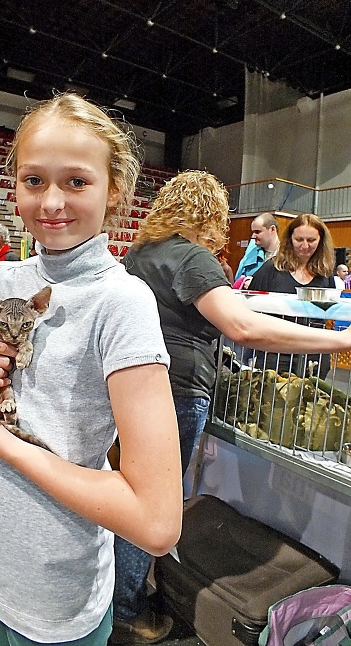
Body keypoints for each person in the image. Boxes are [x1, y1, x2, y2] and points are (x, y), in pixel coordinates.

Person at [0, 92, 183, 646]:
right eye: (34, 180)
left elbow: (156, 524)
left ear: (116, 192)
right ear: (13, 191)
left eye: (77, 181)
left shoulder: (123, 302)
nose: (53, 201)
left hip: (57, 592)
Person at [112, 171, 351, 644]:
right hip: (177, 392)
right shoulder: (192, 257)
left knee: (127, 495)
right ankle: (129, 610)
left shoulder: (140, 253)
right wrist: (340, 339)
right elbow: (242, 325)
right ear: (210, 214)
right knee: (153, 508)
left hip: (131, 387)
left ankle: (120, 596)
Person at [249, 213, 336, 377]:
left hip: (314, 356)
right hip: (274, 355)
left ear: (321, 241)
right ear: (290, 239)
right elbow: (252, 308)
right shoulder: (270, 269)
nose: (305, 246)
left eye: (311, 241)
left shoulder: (325, 274)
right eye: (299, 240)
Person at [234, 212, 280, 280]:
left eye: (257, 232)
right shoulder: (250, 253)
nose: (253, 236)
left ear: (272, 229)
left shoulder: (286, 255)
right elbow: (238, 280)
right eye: (253, 232)